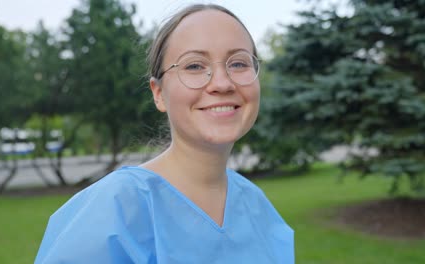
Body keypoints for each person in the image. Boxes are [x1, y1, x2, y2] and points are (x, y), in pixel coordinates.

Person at [35, 4, 294, 263]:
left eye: (238, 63)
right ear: (158, 93)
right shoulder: (114, 210)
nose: (222, 83)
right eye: (194, 66)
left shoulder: (257, 208)